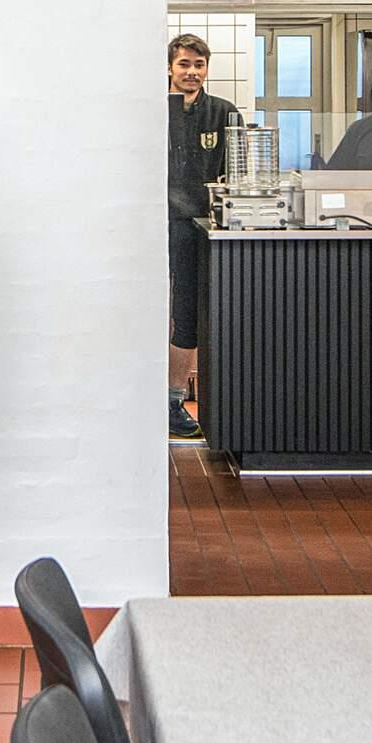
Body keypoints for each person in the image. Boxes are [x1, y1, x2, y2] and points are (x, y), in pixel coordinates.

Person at [167, 33, 235, 440]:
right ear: (170, 68)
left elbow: (236, 173)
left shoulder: (224, 113)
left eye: (199, 64)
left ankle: (173, 401)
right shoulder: (152, 110)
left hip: (201, 227)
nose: (192, 72)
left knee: (189, 314)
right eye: (184, 64)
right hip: (153, 225)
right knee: (144, 310)